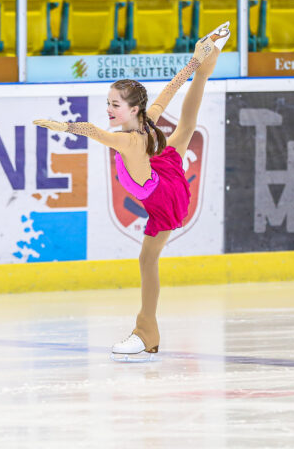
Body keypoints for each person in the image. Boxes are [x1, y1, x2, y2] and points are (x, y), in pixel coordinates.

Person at [33, 22, 231, 361]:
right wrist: (195, 62)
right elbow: (171, 88)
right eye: (109, 102)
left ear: (133, 109)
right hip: (164, 170)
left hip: (162, 196)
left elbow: (93, 131)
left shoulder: (127, 138)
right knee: (185, 127)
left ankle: (146, 332)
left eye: (116, 105)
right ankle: (209, 59)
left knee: (147, 259)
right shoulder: (147, 121)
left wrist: (63, 126)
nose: (109, 109)